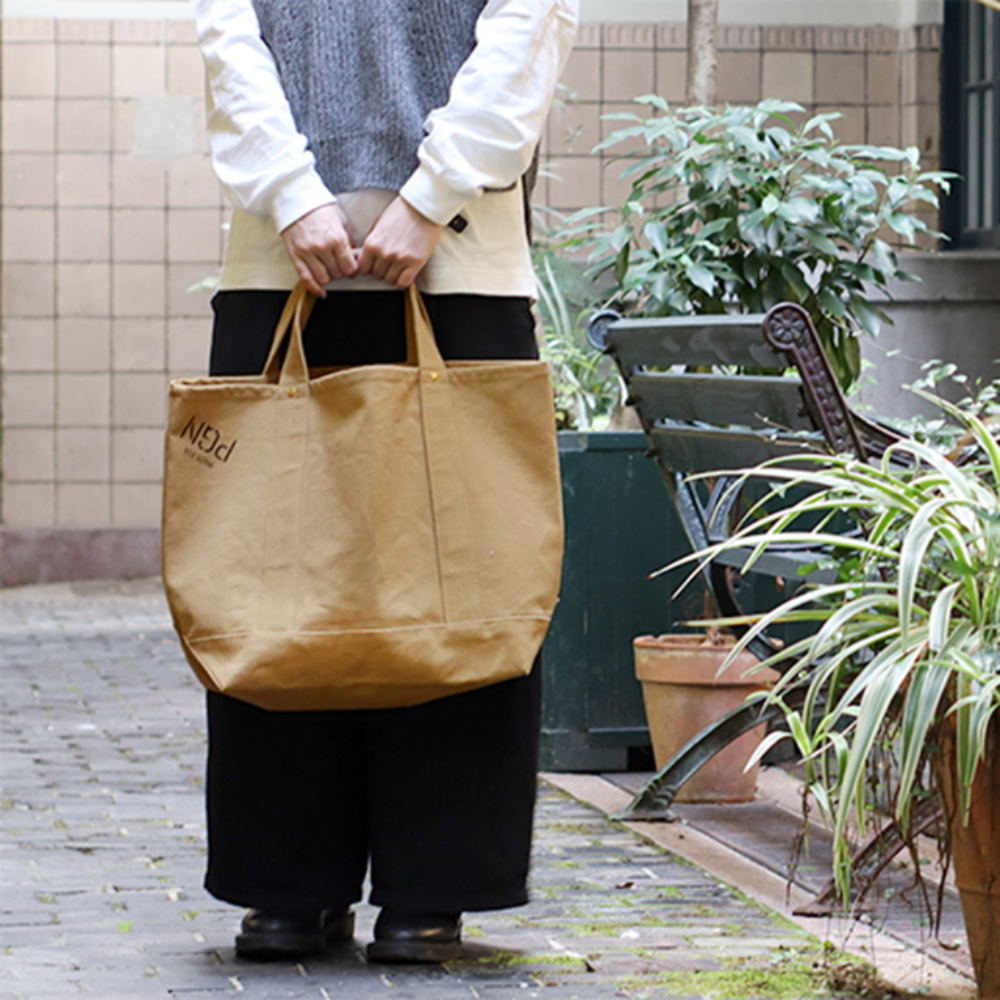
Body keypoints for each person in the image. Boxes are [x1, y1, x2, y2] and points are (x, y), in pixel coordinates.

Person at [192, 0, 579, 965]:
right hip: (281, 256)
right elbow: (228, 33)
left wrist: (430, 197)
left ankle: (431, 882)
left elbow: (529, 26)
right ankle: (288, 879)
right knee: (272, 568)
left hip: (459, 258)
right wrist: (292, 193)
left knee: (460, 571)